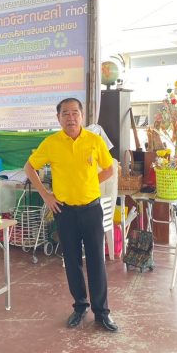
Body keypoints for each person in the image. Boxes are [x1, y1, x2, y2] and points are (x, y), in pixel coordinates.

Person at [24, 97, 118, 332]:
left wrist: (90, 183)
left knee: (96, 261)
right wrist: (46, 195)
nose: (70, 117)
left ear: (82, 116)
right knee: (72, 261)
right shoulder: (51, 143)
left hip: (91, 209)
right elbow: (29, 167)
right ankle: (80, 306)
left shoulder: (94, 141)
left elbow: (110, 168)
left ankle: (102, 313)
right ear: (58, 118)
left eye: (75, 112)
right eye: (65, 113)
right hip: (64, 211)